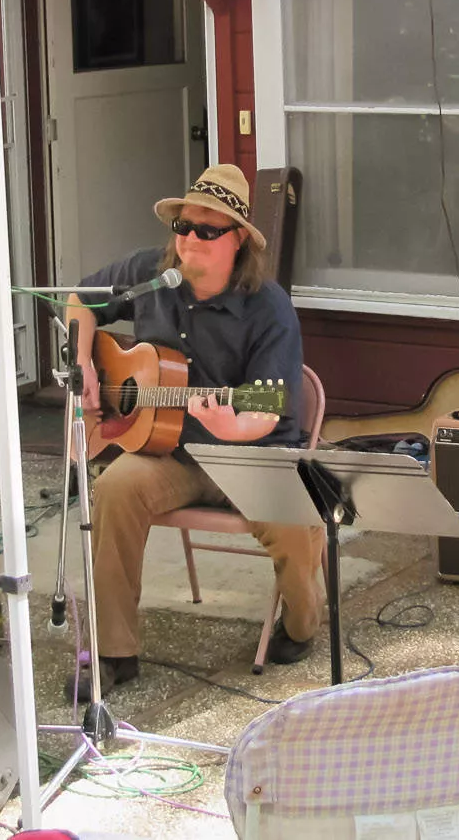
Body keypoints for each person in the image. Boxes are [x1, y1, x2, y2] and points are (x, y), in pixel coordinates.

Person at [64, 164, 323, 696]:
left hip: (252, 452)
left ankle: (300, 624)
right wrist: (84, 361)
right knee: (113, 488)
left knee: (294, 521)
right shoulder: (149, 273)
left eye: (207, 231)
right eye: (183, 227)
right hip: (169, 453)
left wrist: (233, 422)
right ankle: (114, 652)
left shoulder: (269, 307)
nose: (190, 240)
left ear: (239, 242)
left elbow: (268, 409)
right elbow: (78, 299)